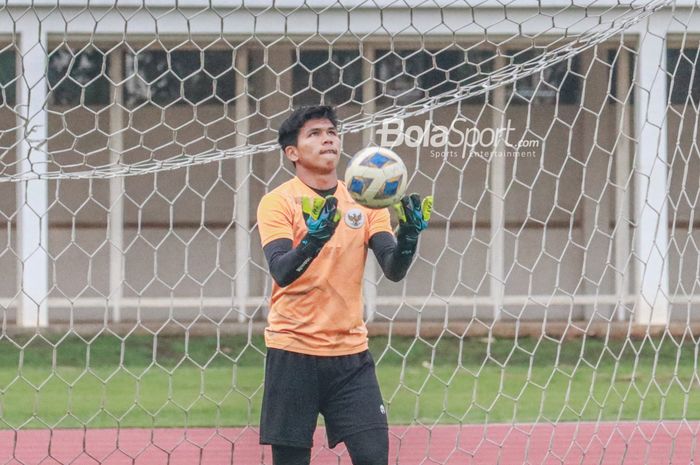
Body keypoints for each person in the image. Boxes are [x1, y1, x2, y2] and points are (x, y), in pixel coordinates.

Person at [256, 105, 433, 465]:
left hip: (350, 356)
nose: (328, 139)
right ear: (292, 152)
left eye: (332, 133)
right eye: (315, 134)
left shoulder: (367, 200)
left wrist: (409, 236)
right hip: (293, 351)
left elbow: (392, 268)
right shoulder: (277, 201)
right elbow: (282, 271)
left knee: (373, 457)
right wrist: (314, 238)